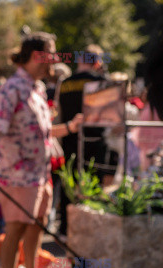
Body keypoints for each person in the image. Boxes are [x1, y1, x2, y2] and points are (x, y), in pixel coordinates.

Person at [0, 32, 82, 268]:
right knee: (16, 230)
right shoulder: (13, 88)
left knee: (36, 227)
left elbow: (41, 132)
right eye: (52, 53)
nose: (56, 60)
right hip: (17, 175)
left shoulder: (35, 88)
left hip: (39, 174)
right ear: (37, 56)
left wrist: (70, 127)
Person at [56, 44, 108, 235]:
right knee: (93, 183)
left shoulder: (65, 82)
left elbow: (58, 113)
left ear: (79, 60)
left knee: (69, 182)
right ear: (97, 62)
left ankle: (66, 226)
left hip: (69, 138)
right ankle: (91, 226)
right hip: (95, 141)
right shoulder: (102, 81)